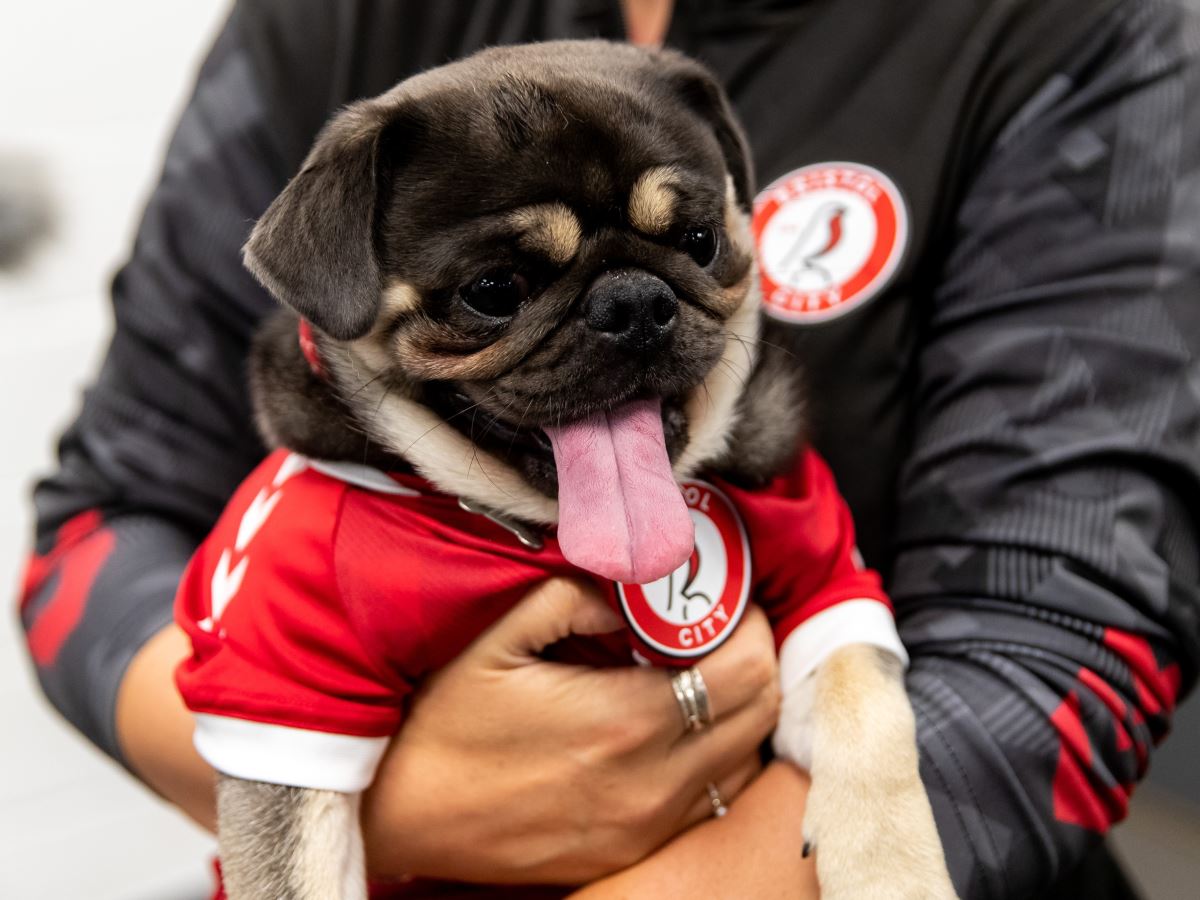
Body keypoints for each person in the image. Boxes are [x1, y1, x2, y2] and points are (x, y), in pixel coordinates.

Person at [18, 0, 1200, 896]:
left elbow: (1076, 627)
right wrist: (396, 806)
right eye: (493, 291)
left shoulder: (1080, 34)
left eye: (685, 244)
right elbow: (100, 519)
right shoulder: (330, 24)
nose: (628, 315)